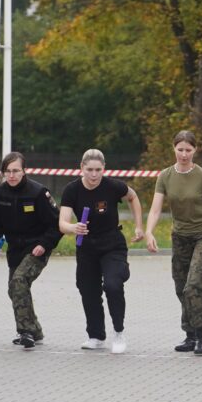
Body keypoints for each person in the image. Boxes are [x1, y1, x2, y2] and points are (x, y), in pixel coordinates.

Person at [146, 130, 202, 355]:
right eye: (180, 149)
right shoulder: (165, 176)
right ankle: (190, 335)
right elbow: (155, 209)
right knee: (181, 287)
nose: (184, 154)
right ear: (174, 149)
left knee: (193, 285)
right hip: (180, 237)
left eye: (188, 150)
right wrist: (149, 232)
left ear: (195, 150)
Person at [59, 149, 143, 354]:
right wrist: (73, 228)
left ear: (104, 168)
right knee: (88, 289)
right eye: (89, 170)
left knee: (113, 285)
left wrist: (139, 226)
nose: (94, 174)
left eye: (98, 170)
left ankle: (119, 333)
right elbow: (62, 223)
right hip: (86, 246)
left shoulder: (113, 186)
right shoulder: (72, 190)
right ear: (82, 168)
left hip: (112, 244)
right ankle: (96, 336)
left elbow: (133, 197)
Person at [0, 152, 63, 350]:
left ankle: (25, 332)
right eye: (8, 171)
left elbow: (57, 224)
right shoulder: (0, 194)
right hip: (15, 250)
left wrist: (44, 244)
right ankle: (35, 331)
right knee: (15, 289)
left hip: (37, 249)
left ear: (24, 171)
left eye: (16, 171)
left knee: (18, 281)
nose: (12, 175)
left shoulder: (38, 193)